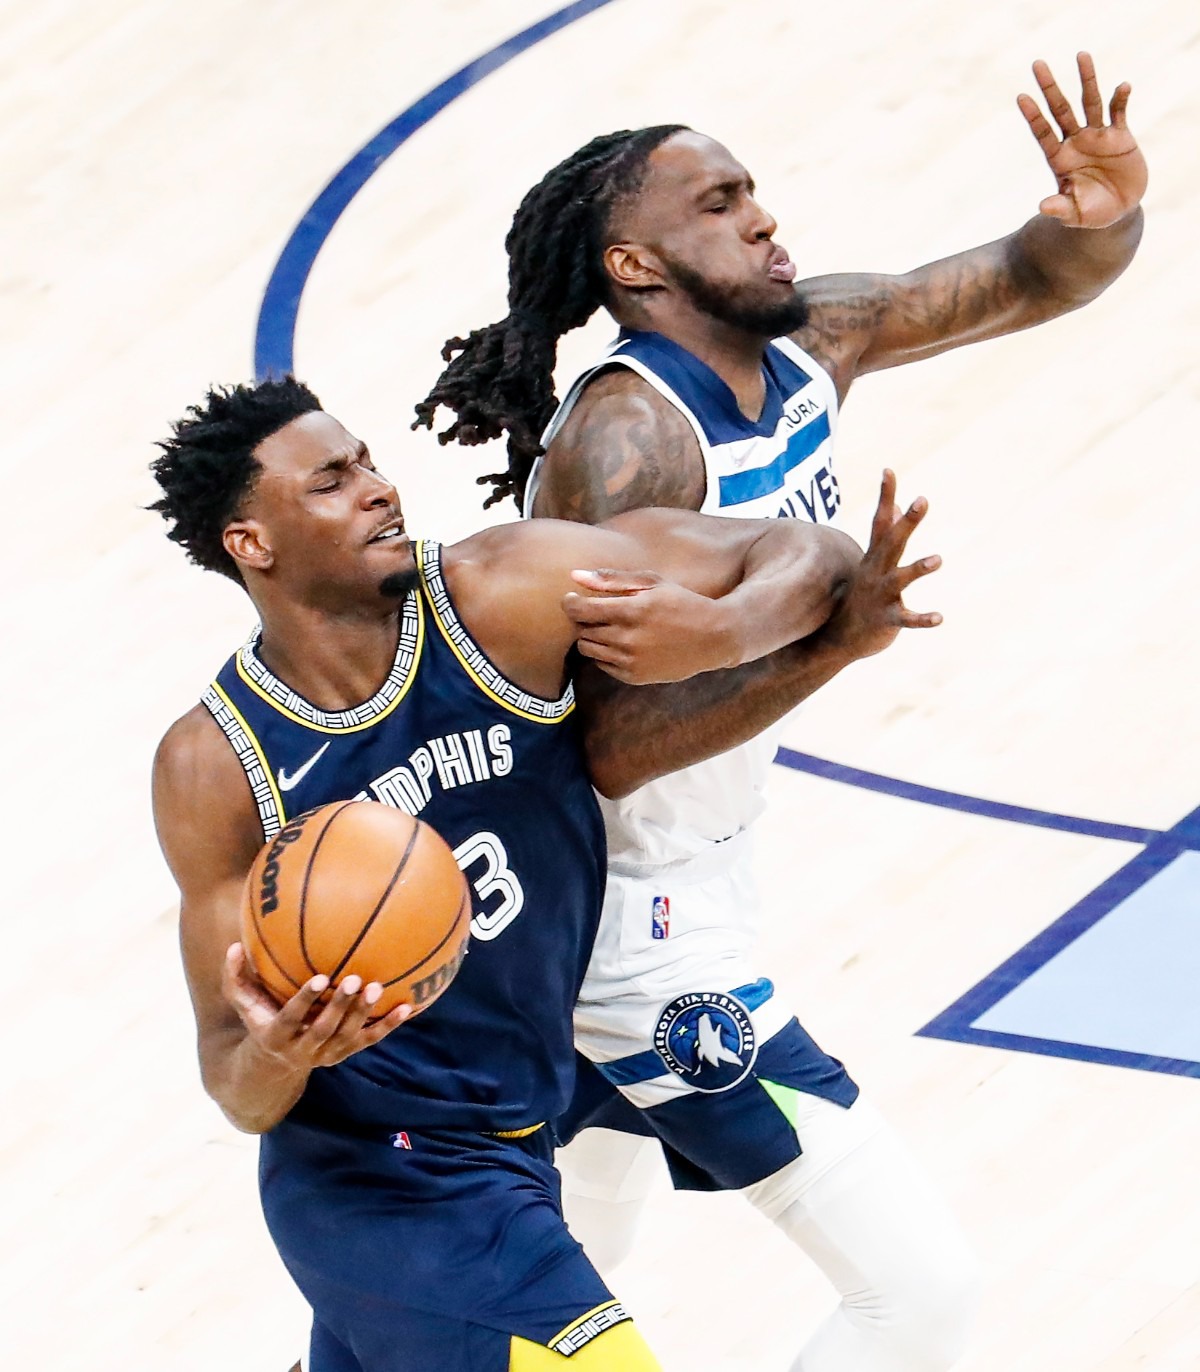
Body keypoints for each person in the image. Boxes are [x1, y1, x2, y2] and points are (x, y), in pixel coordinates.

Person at [414, 53, 1147, 1372]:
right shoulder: (629, 447)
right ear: (636, 267)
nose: (760, 215)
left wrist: (1099, 220)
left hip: (697, 872)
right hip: (623, 927)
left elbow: (1030, 276)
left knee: (571, 1247)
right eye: (717, 202)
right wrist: (827, 644)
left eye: (753, 188)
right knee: (919, 1292)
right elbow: (599, 753)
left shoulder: (817, 340)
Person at [150, 378, 939, 1372]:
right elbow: (236, 1083)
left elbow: (804, 552)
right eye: (332, 481)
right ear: (252, 543)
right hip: (374, 1178)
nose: (379, 489)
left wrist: (728, 629)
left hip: (519, 1134)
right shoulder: (217, 764)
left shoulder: (503, 591)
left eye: (368, 461)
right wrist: (287, 1049)